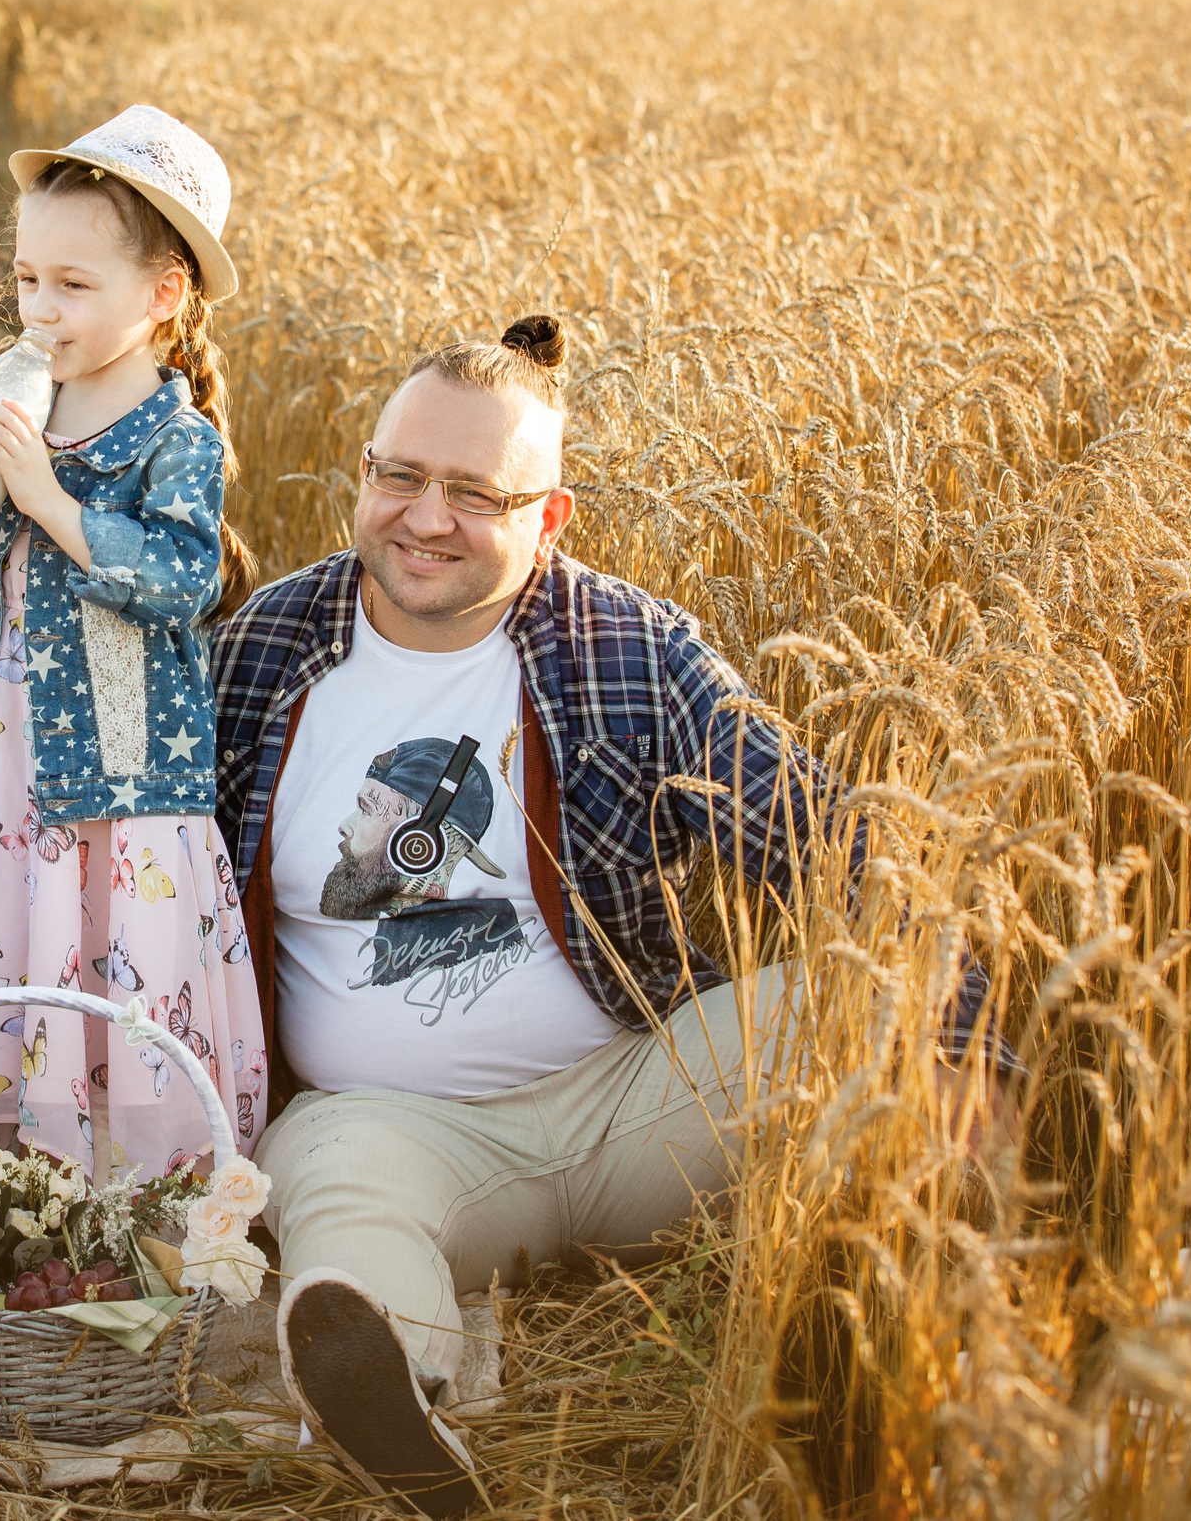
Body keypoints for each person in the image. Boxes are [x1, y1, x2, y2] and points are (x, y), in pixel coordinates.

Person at [210, 318, 871, 1515]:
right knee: (335, 1196)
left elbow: (836, 843)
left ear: (547, 517)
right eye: (400, 475)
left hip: (641, 1107)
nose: (424, 518)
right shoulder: (265, 651)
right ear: (362, 473)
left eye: (474, 492)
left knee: (857, 1001)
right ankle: (396, 1400)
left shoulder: (624, 647)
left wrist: (964, 1045)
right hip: (394, 1130)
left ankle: (860, 1351)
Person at [0, 104, 268, 1179]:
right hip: (4, 758)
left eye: (72, 284)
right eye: (24, 280)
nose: (38, 309)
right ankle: (5, 1188)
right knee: (10, 943)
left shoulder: (174, 436)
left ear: (163, 296)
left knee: (113, 965)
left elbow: (182, 578)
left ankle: (131, 1192)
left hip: (119, 773)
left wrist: (48, 497)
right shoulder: (11, 403)